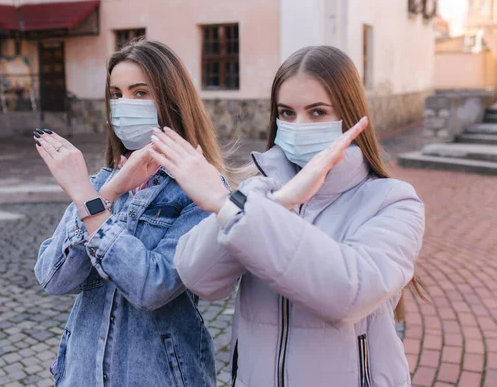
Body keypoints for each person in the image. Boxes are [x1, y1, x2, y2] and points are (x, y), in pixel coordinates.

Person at [149, 45, 426, 387]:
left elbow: (347, 294)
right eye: (287, 113)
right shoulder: (259, 190)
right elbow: (199, 277)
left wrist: (227, 206)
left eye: (318, 112)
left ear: (351, 117)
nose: (299, 125)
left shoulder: (392, 201)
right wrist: (280, 200)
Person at [33, 40, 223, 387]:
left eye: (139, 93)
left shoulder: (201, 191)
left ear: (171, 101)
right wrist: (106, 193)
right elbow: (53, 277)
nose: (123, 105)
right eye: (116, 94)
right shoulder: (103, 185)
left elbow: (152, 286)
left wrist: (88, 203)